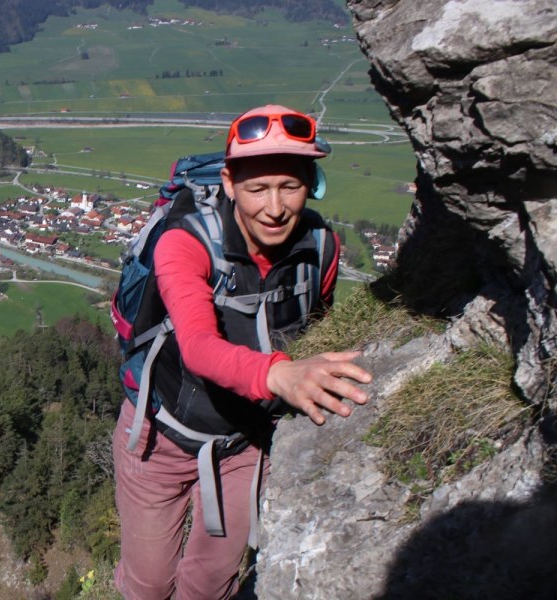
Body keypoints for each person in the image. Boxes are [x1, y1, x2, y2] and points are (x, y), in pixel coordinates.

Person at [113, 105, 373, 599]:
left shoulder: (320, 248)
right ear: (230, 183)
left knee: (211, 584)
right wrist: (280, 377)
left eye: (290, 186)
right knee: (148, 587)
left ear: (311, 183)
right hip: (157, 438)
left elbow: (312, 331)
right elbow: (199, 348)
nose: (274, 207)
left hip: (244, 442)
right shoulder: (185, 243)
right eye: (257, 189)